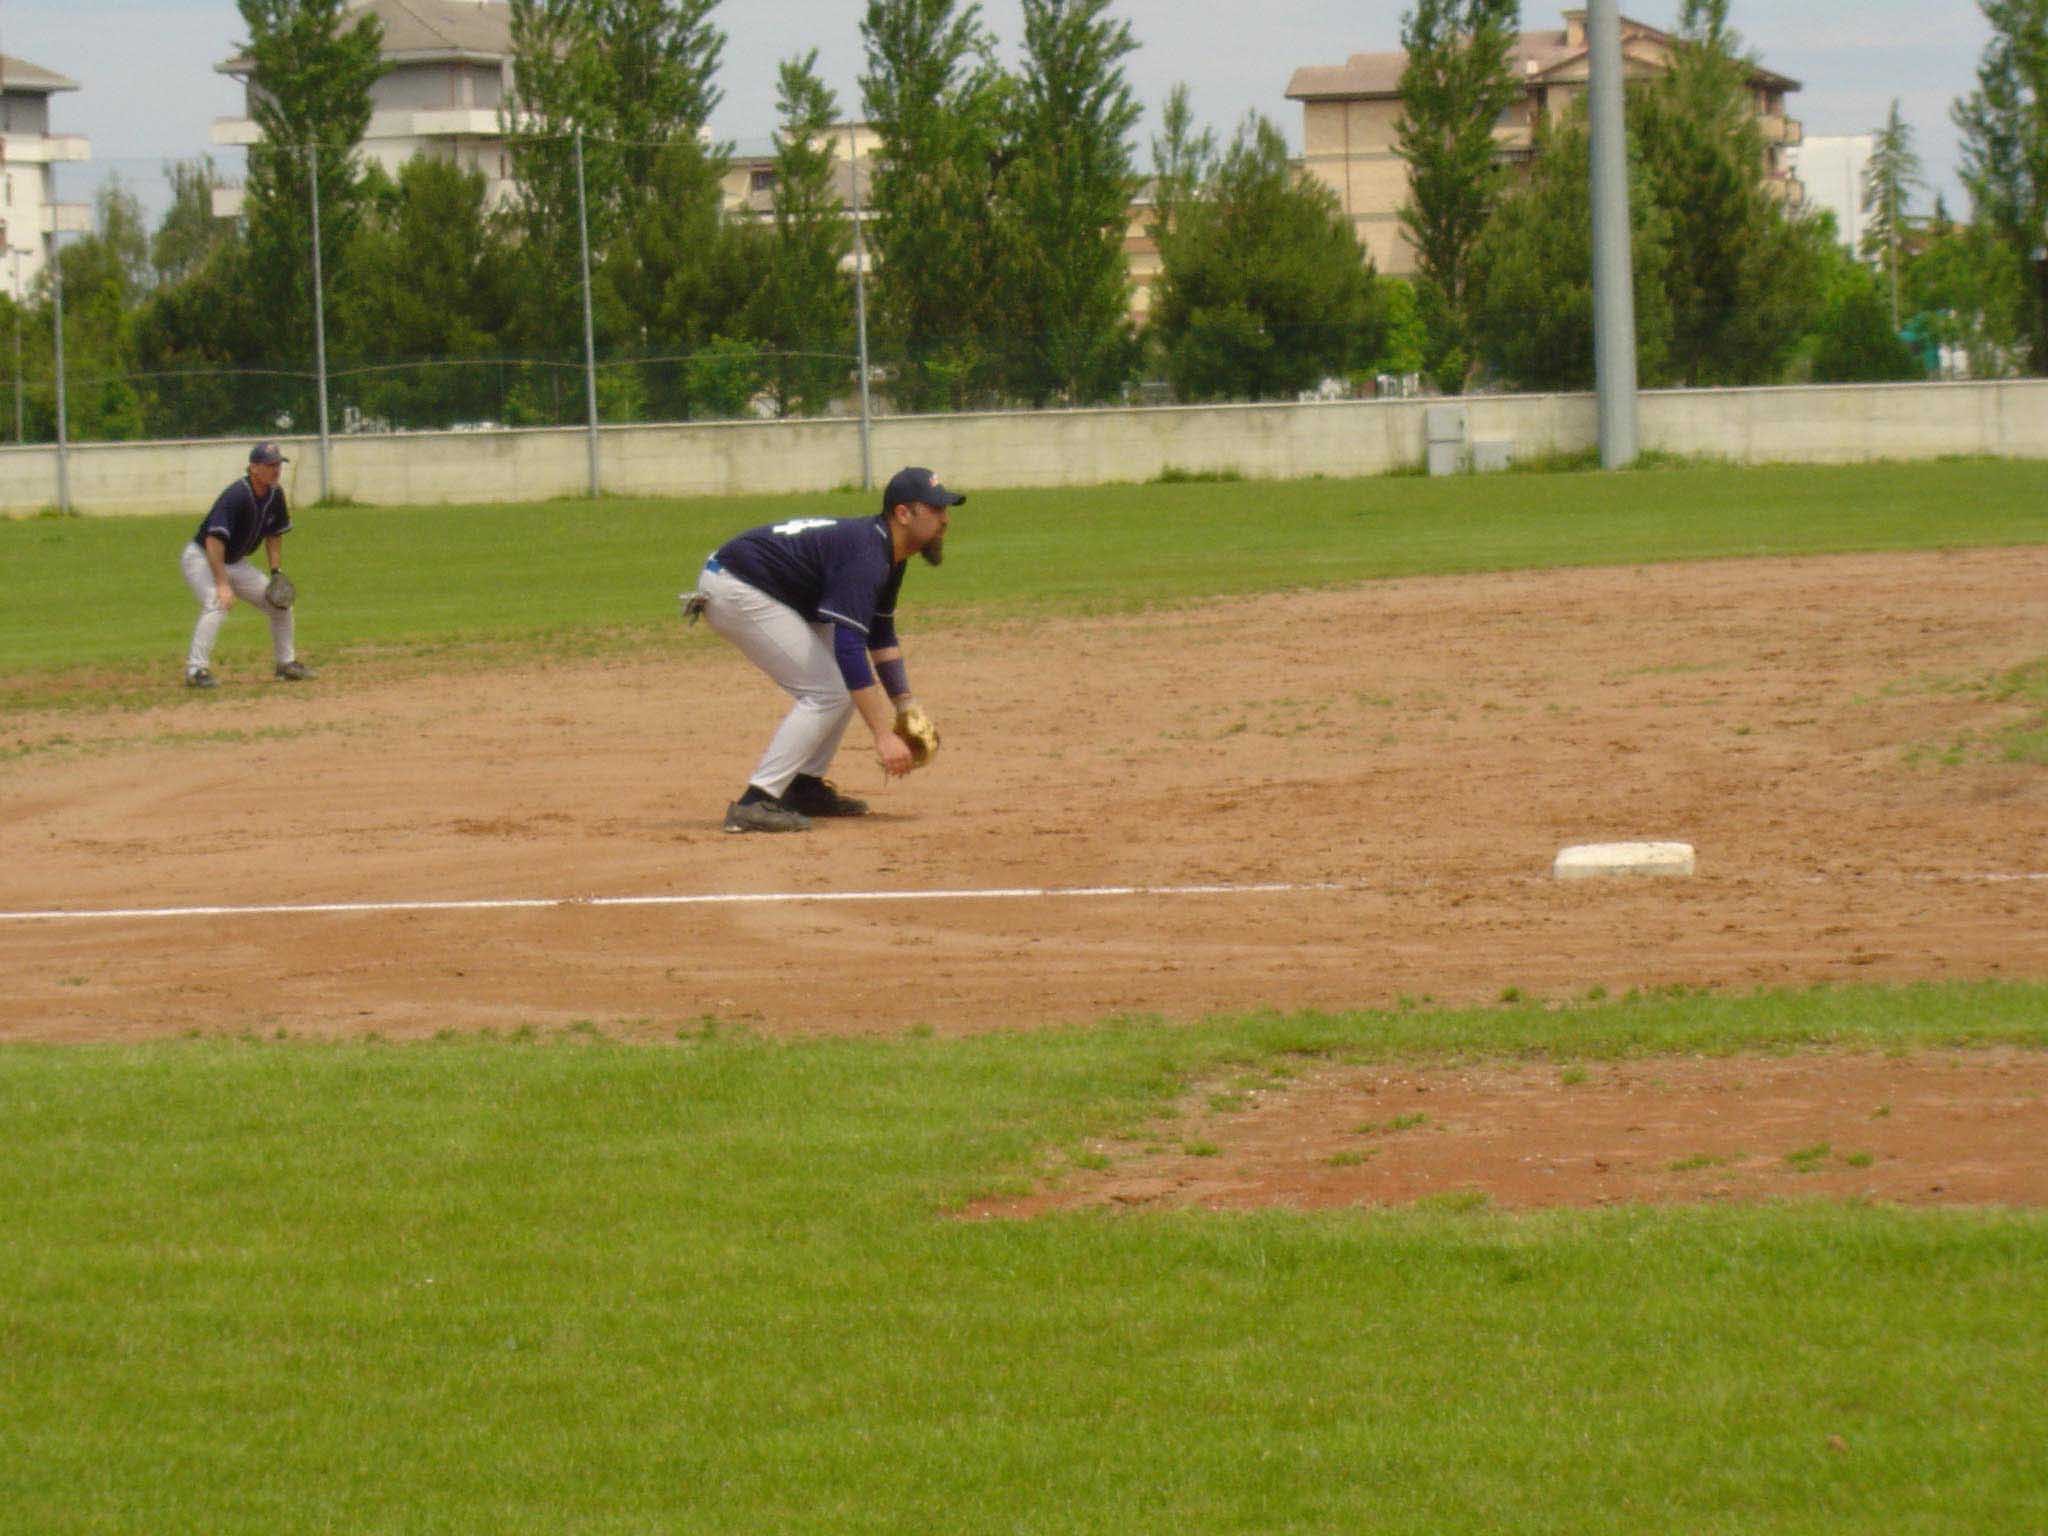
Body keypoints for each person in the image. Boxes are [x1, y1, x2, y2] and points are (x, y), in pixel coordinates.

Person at [690, 465, 963, 832]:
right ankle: (757, 801)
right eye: (935, 509)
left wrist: (905, 703)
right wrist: (883, 735)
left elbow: (879, 632)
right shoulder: (868, 554)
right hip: (737, 586)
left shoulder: (889, 552)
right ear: (903, 513)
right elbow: (850, 648)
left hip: (763, 586)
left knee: (842, 686)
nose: (945, 519)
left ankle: (803, 786)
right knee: (829, 690)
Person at [180, 441, 314, 688]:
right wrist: (222, 583)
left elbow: (275, 533)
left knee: (280, 604)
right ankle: (196, 670)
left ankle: (286, 664)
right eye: (270, 465)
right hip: (202, 557)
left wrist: (276, 572)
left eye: (278, 464)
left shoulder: (275, 494)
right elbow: (213, 540)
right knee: (217, 602)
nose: (276, 470)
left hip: (235, 561)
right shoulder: (237, 495)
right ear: (254, 468)